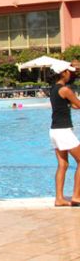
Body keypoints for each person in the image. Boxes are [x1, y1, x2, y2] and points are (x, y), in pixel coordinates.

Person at [48, 61, 80, 207]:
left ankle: (59, 199)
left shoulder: (54, 89)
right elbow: (78, 104)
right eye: (69, 72)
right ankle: (76, 196)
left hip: (55, 130)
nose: (71, 74)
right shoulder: (65, 90)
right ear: (63, 73)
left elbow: (71, 105)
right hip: (64, 131)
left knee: (63, 164)